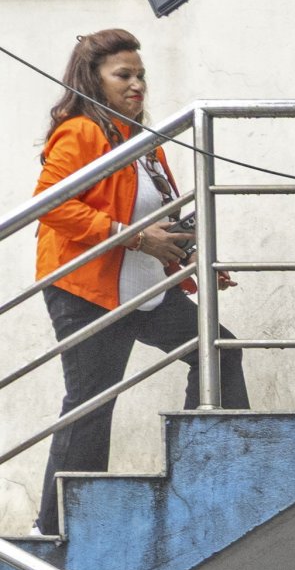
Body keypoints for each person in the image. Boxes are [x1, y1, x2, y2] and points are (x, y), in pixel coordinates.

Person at [28, 27, 244, 537]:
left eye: (140, 75)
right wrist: (133, 238)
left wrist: (195, 256)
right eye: (122, 75)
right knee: (91, 403)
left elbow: (162, 215)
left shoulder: (144, 142)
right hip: (88, 291)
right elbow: (53, 203)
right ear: (92, 79)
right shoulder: (80, 132)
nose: (136, 84)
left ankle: (205, 468)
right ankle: (53, 527)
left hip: (147, 288)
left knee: (220, 351)